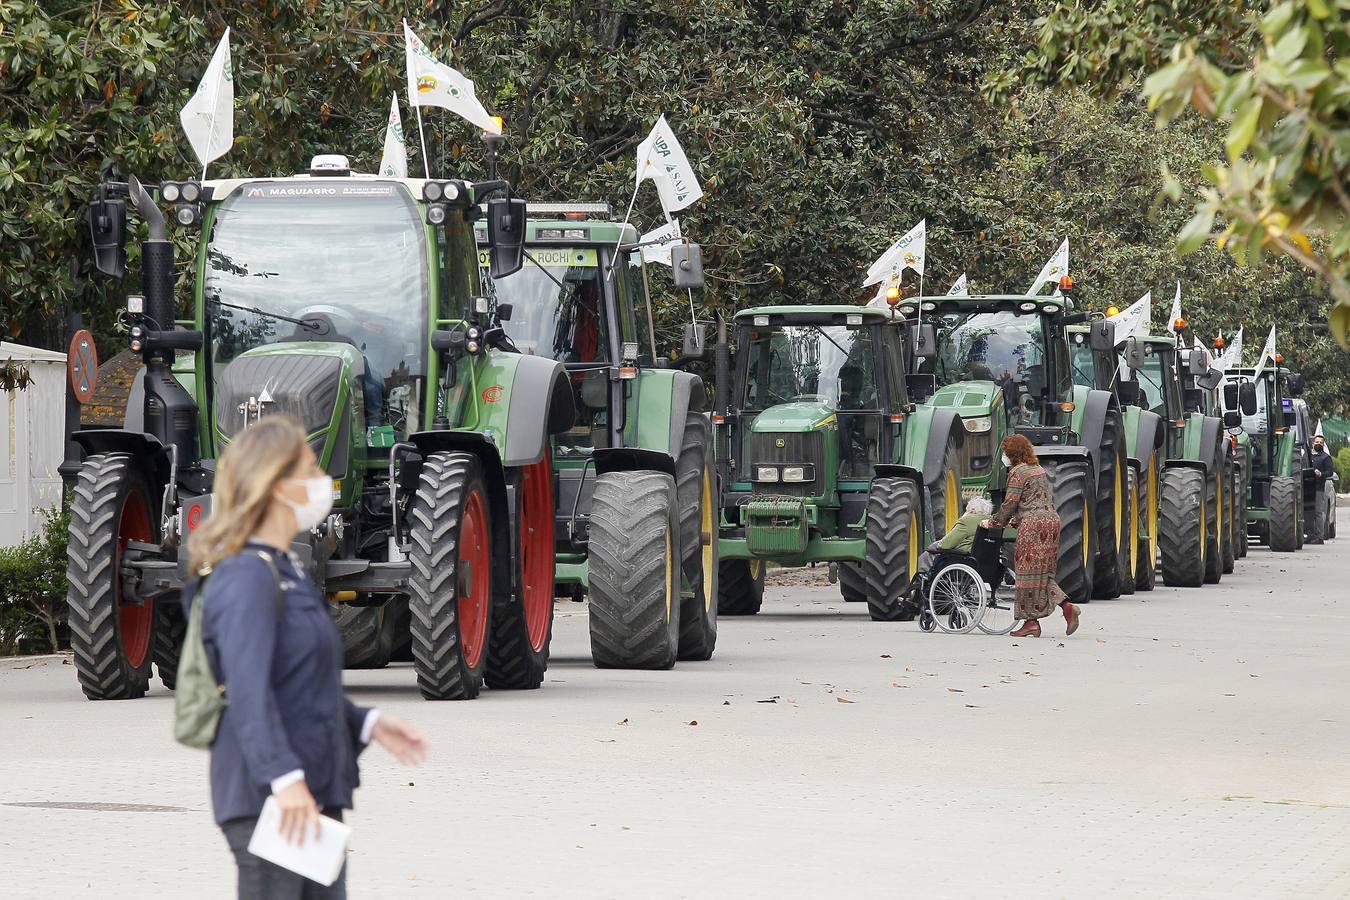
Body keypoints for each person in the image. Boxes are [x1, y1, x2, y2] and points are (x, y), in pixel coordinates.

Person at [186, 415, 429, 899]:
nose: (323, 483)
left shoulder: (283, 571)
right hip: (272, 798)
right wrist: (284, 778)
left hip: (306, 790)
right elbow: (247, 689)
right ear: (277, 485)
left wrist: (367, 722)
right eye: (311, 469)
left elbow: (297, 683)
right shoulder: (245, 576)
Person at [982, 434, 1081, 638]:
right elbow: (1033, 501)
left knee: (1026, 574)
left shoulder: (1017, 473)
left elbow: (1011, 503)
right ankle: (1067, 607)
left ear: (1012, 453)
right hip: (1051, 522)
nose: (1004, 457)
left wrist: (993, 523)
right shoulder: (1039, 470)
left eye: (1005, 453)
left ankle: (1030, 623)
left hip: (1033, 527)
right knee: (1043, 574)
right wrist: (1015, 520)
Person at [901, 496, 994, 613]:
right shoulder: (992, 523)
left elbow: (945, 544)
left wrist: (935, 546)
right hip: (984, 563)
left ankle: (918, 597)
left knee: (925, 557)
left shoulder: (967, 521)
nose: (965, 512)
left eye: (967, 509)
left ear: (973, 511)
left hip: (961, 560)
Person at [1310, 436, 1336, 544]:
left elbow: (1330, 472)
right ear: (1312, 443)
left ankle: (1319, 536)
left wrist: (1321, 474)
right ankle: (1310, 534)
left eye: (1321, 442)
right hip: (1306, 488)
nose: (1318, 444)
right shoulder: (1307, 456)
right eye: (1317, 442)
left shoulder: (1326, 458)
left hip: (1319, 488)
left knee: (1318, 512)